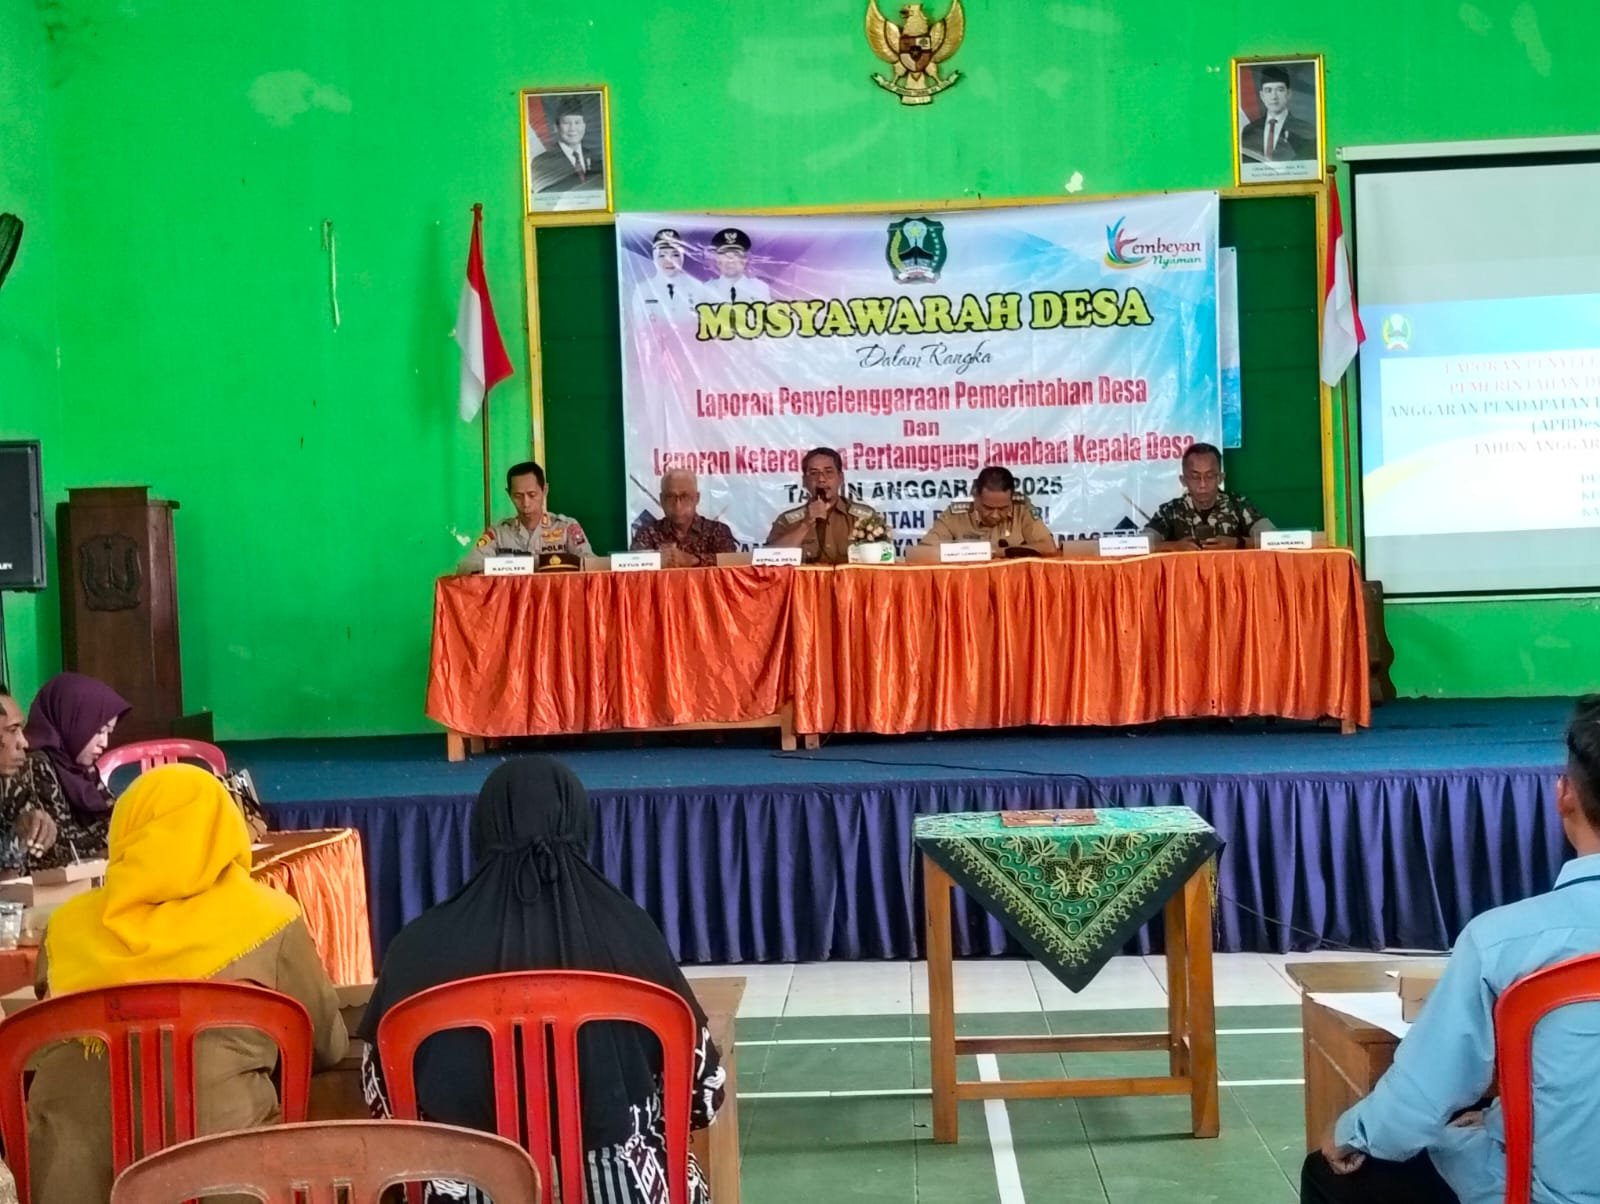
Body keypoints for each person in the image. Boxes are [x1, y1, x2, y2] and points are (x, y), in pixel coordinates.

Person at [358, 759, 727, 1204]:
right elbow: (703, 1095)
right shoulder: (633, 935)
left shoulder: (416, 947)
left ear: (483, 830)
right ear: (580, 824)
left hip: (461, 1186)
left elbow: (382, 1101)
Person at [1302, 695, 1600, 1204]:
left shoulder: (1502, 941)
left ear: (1564, 795)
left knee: (1328, 1171)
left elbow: (1417, 1102)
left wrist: (1348, 1132)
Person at [25, 764, 349, 1204]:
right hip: (229, 1185)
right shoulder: (268, 919)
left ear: (124, 833)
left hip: (75, 1188)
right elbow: (326, 1046)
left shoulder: (65, 928)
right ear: (223, 830)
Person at [0, 672, 129, 871]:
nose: (24, 742)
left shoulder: (84, 771)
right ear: (73, 719)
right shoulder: (35, 765)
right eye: (98, 731)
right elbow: (52, 853)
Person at [457, 461, 592, 574]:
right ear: (509, 494)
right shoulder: (498, 534)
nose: (526, 503)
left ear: (545, 490)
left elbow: (592, 566)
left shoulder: (566, 527)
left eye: (532, 495)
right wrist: (509, 566)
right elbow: (465, 567)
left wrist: (540, 565)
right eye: (518, 496)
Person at [765, 447, 890, 565]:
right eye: (813, 473)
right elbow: (768, 560)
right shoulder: (788, 521)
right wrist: (805, 525)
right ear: (804, 481)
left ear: (841, 478)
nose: (821, 479)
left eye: (828, 472)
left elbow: (883, 561)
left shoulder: (865, 518)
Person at [1144, 442, 1275, 549]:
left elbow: (1275, 539)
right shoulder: (1170, 511)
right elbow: (1140, 544)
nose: (1203, 484)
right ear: (1183, 480)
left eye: (1210, 476)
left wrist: (1238, 543)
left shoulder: (1239, 505)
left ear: (1221, 478)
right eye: (1195, 477)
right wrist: (1173, 546)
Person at [919, 466, 1058, 556]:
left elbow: (1049, 547)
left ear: (1011, 498)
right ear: (975, 495)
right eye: (988, 508)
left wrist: (998, 552)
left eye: (1003, 508)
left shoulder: (1022, 510)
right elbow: (922, 553)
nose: (995, 515)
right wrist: (965, 553)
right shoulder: (956, 515)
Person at [630, 470, 738, 567]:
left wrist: (693, 560)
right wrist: (656, 561)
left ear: (697, 498)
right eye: (671, 497)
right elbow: (634, 566)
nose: (678, 505)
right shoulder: (648, 533)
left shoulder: (717, 531)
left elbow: (732, 565)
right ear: (662, 500)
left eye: (685, 496)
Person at [1240, 65, 1315, 164]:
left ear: (1288, 94)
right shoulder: (1249, 131)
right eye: (1268, 90)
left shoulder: (1306, 130)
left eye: (1280, 90)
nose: (1274, 97)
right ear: (1262, 95)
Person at [631, 228, 709, 323]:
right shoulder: (643, 290)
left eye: (675, 255)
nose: (669, 260)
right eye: (662, 255)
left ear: (682, 257)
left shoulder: (697, 288)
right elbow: (639, 326)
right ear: (654, 257)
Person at [530, 101, 605, 195]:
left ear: (584, 126)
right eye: (566, 123)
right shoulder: (541, 163)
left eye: (577, 122)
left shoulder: (596, 158)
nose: (572, 129)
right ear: (556, 127)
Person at [703, 228, 771, 304]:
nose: (730, 260)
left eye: (736, 254)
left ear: (745, 259)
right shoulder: (706, 290)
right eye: (724, 254)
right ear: (717, 260)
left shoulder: (760, 289)